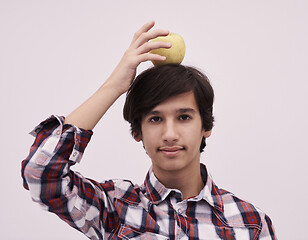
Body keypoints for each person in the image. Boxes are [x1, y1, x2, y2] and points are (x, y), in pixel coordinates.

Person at [21, 21, 276, 239]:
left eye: (184, 117)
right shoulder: (114, 208)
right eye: (155, 119)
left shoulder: (250, 224)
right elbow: (41, 173)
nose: (170, 133)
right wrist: (114, 86)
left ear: (206, 126)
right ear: (137, 131)